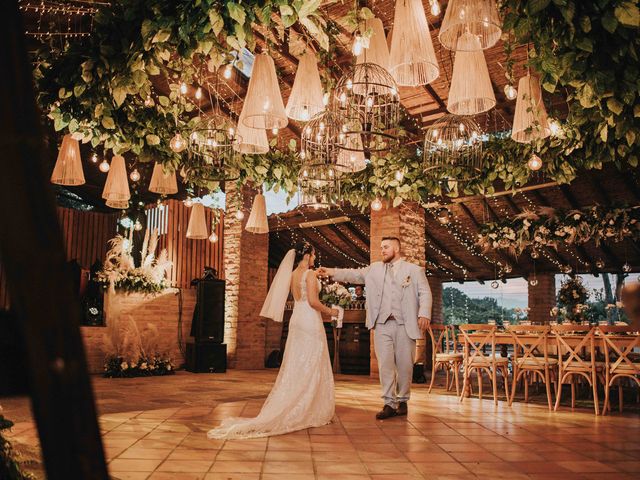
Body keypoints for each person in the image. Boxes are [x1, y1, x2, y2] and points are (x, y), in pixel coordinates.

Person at [208, 242, 339, 439]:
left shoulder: (293, 274)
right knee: (312, 360)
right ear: (307, 255)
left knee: (297, 362)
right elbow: (313, 301)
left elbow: (301, 298)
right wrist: (331, 311)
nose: (314, 258)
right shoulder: (309, 274)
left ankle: (297, 400)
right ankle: (309, 406)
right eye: (313, 255)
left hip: (297, 318)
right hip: (310, 319)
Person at [318, 237, 432, 420]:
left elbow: (425, 293)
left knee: (404, 365)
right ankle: (389, 403)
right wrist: (331, 271)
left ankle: (402, 400)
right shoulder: (374, 269)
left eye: (386, 247)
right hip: (381, 324)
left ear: (396, 248)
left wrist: (424, 313)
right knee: (385, 364)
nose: (383, 250)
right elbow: (353, 274)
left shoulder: (414, 270)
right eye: (381, 247)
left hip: (405, 324)